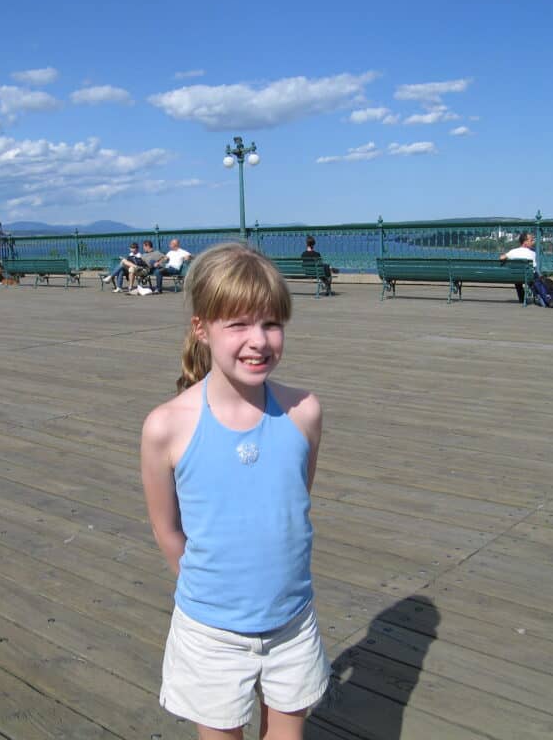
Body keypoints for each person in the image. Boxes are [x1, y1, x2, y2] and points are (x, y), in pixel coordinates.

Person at [140, 242, 329, 739]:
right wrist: (214, 590)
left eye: (271, 323)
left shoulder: (303, 412)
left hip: (291, 621)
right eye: (238, 325)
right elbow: (166, 528)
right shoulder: (167, 426)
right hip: (211, 632)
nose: (259, 341)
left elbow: (293, 506)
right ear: (202, 329)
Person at [499, 231, 537, 303]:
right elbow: (534, 267)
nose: (533, 242)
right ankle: (536, 296)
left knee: (518, 278)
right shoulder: (533, 253)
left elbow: (501, 258)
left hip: (517, 277)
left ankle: (522, 299)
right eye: (531, 240)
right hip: (529, 277)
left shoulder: (513, 252)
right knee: (533, 276)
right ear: (525, 242)